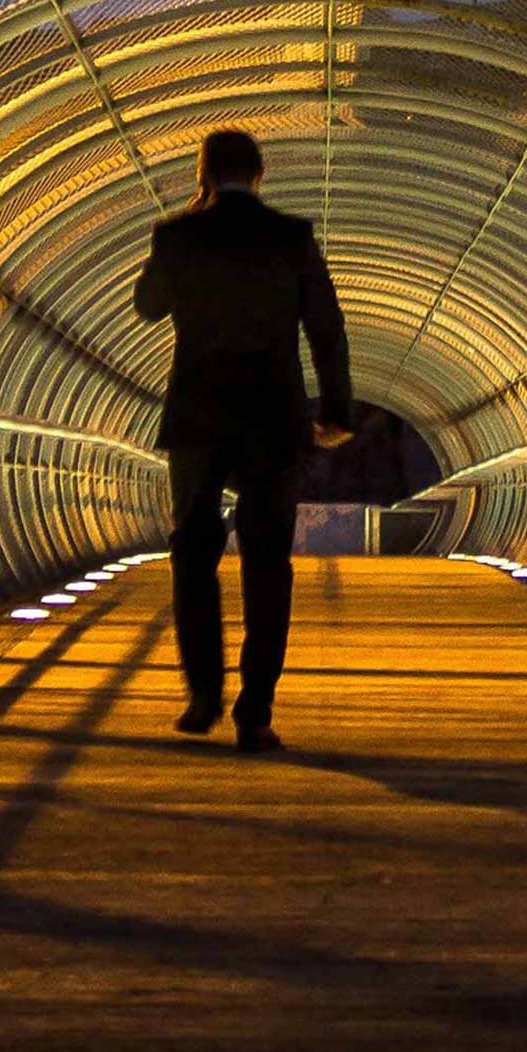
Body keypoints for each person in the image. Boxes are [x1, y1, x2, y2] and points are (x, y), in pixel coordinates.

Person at [131, 128, 352, 750]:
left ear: (203, 173)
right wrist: (335, 407)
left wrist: (167, 256)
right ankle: (255, 710)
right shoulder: (292, 237)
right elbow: (326, 328)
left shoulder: (176, 235)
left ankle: (202, 694)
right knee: (266, 561)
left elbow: (148, 307)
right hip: (272, 416)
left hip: (199, 416)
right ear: (259, 174)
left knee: (192, 554)